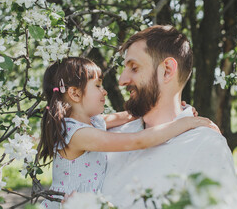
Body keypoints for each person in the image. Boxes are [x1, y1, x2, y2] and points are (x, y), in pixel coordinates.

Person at [37, 57, 218, 208]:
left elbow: (131, 115)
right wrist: (185, 123)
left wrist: (176, 110)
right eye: (98, 86)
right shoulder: (78, 135)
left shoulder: (94, 122)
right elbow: (137, 141)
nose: (105, 91)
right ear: (75, 94)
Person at [102, 25, 237, 208]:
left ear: (167, 70)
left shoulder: (206, 145)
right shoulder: (109, 137)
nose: (122, 80)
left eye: (134, 68)